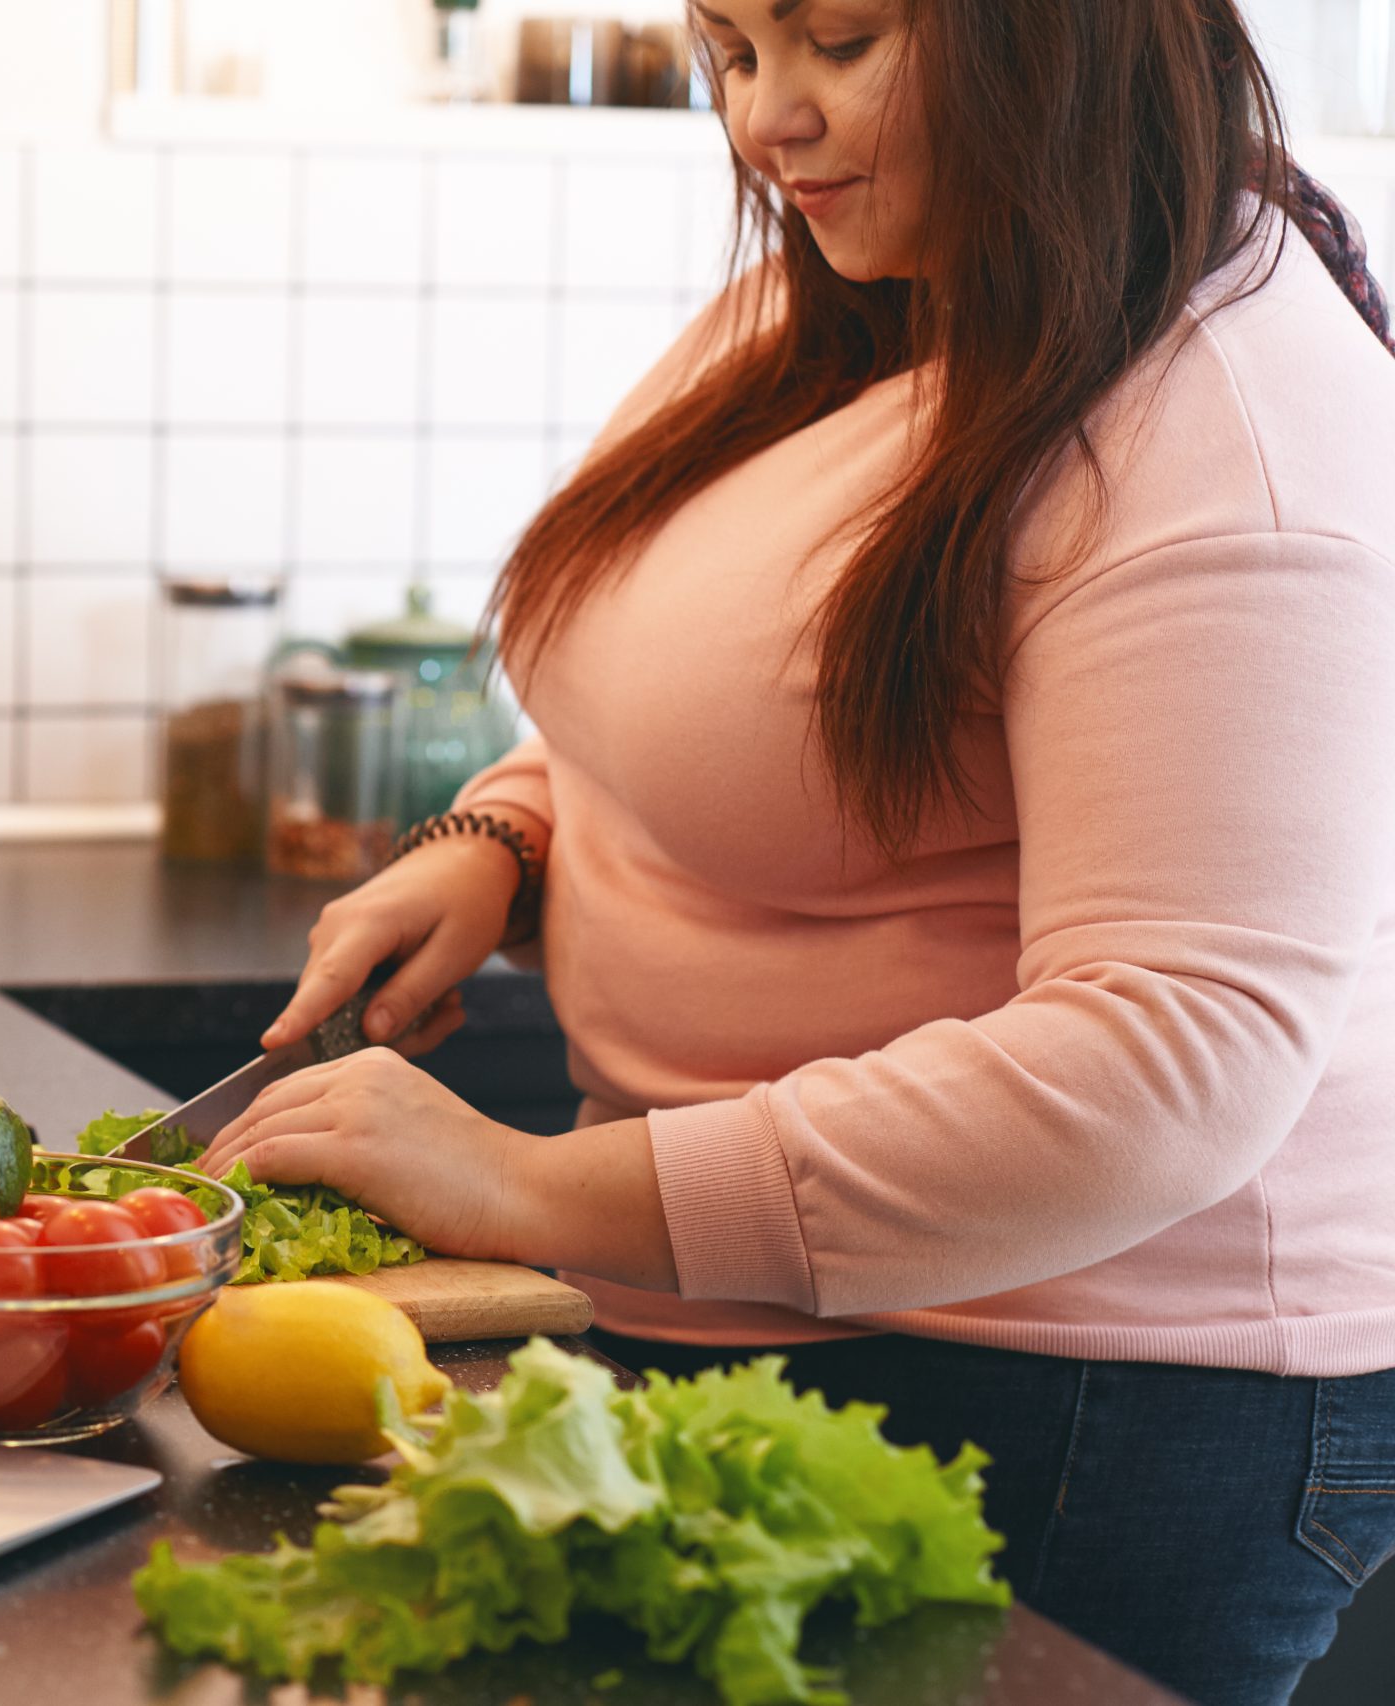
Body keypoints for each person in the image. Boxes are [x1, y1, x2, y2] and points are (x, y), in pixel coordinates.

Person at [198, 3, 1395, 1702]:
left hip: (1076, 1403)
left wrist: (528, 1190)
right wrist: (506, 832)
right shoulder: (884, 288)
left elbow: (1167, 1062)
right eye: (738, 47)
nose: (770, 119)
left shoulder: (1231, 430)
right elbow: (754, 683)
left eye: (837, 39)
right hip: (776, 1327)